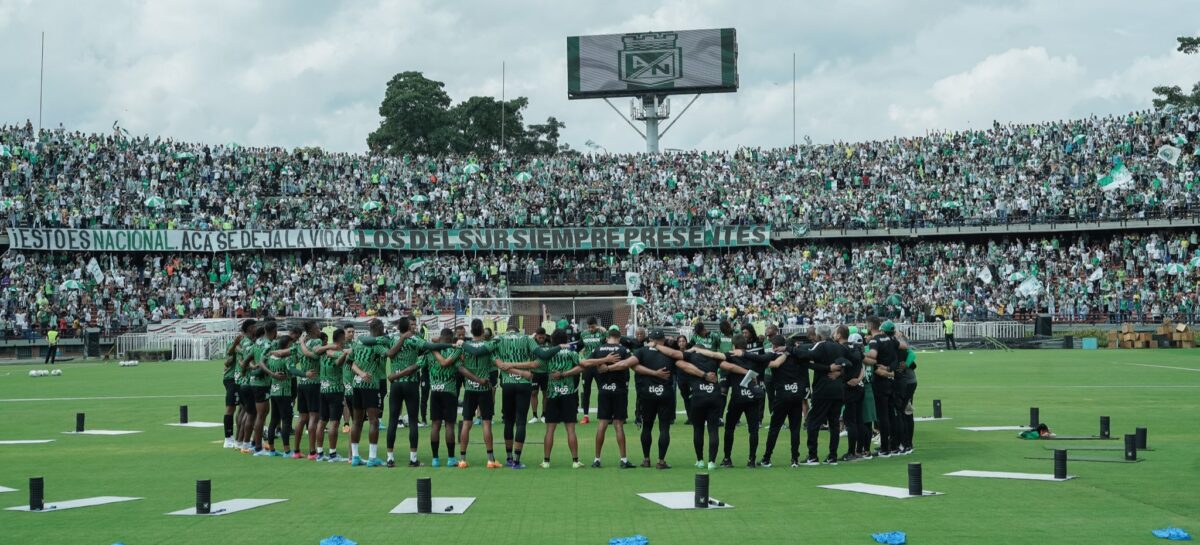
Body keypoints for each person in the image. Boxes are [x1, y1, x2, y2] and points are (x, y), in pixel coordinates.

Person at [690, 334, 785, 468]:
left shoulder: (731, 356)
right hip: (753, 397)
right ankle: (751, 460)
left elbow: (713, 354)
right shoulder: (756, 358)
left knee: (729, 428)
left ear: (734, 346)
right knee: (753, 430)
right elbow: (775, 364)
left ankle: (727, 459)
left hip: (737, 398)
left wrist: (698, 350)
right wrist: (786, 353)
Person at [379, 317, 453, 468]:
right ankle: (413, 459)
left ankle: (390, 458)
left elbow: (390, 354)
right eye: (412, 325)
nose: (415, 327)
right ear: (408, 327)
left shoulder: (391, 338)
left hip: (396, 384)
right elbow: (429, 346)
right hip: (411, 383)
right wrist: (450, 344)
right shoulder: (415, 338)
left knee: (393, 420)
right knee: (413, 420)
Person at [491, 324, 555, 469]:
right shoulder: (526, 339)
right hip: (523, 384)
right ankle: (516, 460)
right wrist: (522, 372)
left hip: (507, 383)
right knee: (520, 422)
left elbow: (495, 359)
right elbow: (538, 358)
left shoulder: (499, 339)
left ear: (507, 331)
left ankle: (508, 458)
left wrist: (507, 366)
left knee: (508, 421)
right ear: (518, 331)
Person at [617, 329, 681, 469]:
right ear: (663, 340)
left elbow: (629, 364)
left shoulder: (641, 351)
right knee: (664, 428)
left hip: (647, 394)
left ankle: (646, 460)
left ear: (649, 339)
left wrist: (609, 366)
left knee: (647, 427)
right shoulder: (669, 353)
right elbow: (680, 357)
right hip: (665, 393)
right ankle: (661, 461)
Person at [675, 337, 738, 470]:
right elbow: (730, 366)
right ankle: (712, 462)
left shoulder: (691, 358)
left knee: (698, 429)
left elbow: (678, 363)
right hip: (714, 396)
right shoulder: (714, 358)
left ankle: (700, 460)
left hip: (698, 396)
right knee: (713, 430)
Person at [788, 325, 846, 465]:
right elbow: (850, 362)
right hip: (838, 389)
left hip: (823, 389)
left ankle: (813, 456)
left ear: (818, 335)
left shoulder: (820, 346)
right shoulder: (839, 347)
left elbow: (806, 355)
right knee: (834, 423)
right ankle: (832, 456)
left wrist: (790, 349)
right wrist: (840, 372)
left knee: (813, 421)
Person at [581, 328, 632, 468]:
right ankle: (624, 460)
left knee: (602, 424)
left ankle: (597, 459)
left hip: (603, 390)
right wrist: (613, 365)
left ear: (607, 337)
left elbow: (584, 363)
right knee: (618, 425)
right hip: (620, 390)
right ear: (619, 338)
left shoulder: (599, 349)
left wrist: (603, 362)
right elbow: (630, 364)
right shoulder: (623, 350)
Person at [456, 319, 500, 468]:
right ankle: (490, 459)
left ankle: (462, 459)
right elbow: (494, 361)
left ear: (470, 331)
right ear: (482, 331)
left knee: (466, 423)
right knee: (486, 423)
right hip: (484, 389)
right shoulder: (487, 346)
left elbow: (461, 366)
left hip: (469, 389)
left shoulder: (463, 347)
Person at [540, 329, 585, 468]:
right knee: (571, 429)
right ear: (566, 339)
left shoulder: (549, 353)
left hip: (553, 394)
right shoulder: (571, 353)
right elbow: (581, 367)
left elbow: (539, 366)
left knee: (550, 430)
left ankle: (546, 461)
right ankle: (575, 461)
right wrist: (565, 374)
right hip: (569, 394)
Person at [761, 334, 808, 467]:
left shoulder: (775, 357)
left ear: (776, 346)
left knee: (774, 428)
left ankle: (766, 458)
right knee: (795, 429)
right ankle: (794, 459)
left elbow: (771, 364)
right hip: (796, 395)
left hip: (782, 396)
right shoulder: (798, 357)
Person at [348, 319, 387, 467]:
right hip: (371, 385)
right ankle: (372, 457)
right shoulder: (376, 345)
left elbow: (351, 362)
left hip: (356, 384)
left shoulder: (358, 343)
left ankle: (356, 457)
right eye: (382, 328)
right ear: (379, 329)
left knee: (357, 422)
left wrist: (360, 373)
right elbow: (390, 353)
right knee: (373, 421)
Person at [864, 318, 904, 457]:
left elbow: (873, 356)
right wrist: (890, 368)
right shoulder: (889, 339)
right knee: (893, 414)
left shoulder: (875, 341)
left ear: (870, 327)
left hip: (881, 381)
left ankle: (885, 448)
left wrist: (861, 353)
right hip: (892, 379)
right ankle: (895, 446)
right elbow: (904, 347)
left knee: (883, 416)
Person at [425, 328, 463, 468]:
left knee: (435, 425)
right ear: (451, 338)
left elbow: (419, 365)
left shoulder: (430, 352)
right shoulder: (453, 351)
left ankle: (435, 459)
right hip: (449, 392)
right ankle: (451, 458)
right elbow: (460, 368)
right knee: (449, 425)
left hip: (434, 391)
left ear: (441, 338)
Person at [315, 328, 350, 463]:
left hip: (323, 389)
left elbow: (317, 351)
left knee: (322, 421)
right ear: (341, 337)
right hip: (335, 391)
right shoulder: (337, 352)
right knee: (334, 422)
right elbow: (338, 361)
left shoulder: (323, 352)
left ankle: (319, 453)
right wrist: (344, 353)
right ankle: (332, 454)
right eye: (344, 337)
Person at [291, 321, 323, 460]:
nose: (319, 329)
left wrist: (302, 343)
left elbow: (294, 362)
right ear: (311, 330)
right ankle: (312, 452)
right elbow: (314, 356)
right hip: (314, 382)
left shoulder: (299, 344)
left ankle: (296, 450)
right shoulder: (317, 342)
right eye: (317, 327)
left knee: (302, 418)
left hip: (302, 384)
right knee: (314, 417)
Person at [837, 325, 867, 462]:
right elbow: (861, 366)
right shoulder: (858, 351)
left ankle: (851, 452)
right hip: (859, 387)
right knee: (859, 420)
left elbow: (842, 365)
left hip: (849, 387)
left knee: (850, 422)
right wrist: (859, 379)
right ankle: (860, 449)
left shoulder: (844, 351)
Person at [221, 320, 253, 449]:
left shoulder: (250, 342)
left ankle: (242, 437)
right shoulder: (235, 343)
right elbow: (227, 362)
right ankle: (228, 437)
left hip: (241, 379)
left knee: (243, 408)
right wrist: (235, 346)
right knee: (231, 408)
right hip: (232, 379)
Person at [246, 322, 277, 456]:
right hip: (262, 384)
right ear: (274, 331)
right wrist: (272, 373)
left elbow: (249, 358)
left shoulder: (257, 341)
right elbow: (263, 364)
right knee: (261, 415)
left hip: (255, 383)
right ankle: (258, 448)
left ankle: (254, 443)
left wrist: (245, 370)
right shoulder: (269, 345)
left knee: (262, 413)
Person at [263, 335, 297, 457]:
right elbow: (293, 371)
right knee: (286, 420)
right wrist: (305, 374)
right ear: (287, 345)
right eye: (291, 344)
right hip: (284, 392)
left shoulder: (272, 358)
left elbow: (263, 362)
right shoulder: (287, 359)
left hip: (274, 391)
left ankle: (272, 450)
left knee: (274, 420)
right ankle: (287, 451)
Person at [234, 320, 259, 452]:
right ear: (250, 328)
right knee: (250, 414)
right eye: (255, 327)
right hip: (249, 382)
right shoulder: (248, 343)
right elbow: (248, 361)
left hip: (242, 381)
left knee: (244, 412)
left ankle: (239, 441)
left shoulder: (244, 341)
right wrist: (255, 366)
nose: (256, 328)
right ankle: (245, 443)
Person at [577, 316, 605, 425]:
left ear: (596, 325)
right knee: (586, 391)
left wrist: (605, 331)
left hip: (599, 365)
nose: (590, 329)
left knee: (602, 390)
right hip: (587, 366)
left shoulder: (602, 333)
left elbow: (610, 342)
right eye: (589, 327)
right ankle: (585, 416)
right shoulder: (583, 334)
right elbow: (579, 347)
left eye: (592, 327)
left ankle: (602, 414)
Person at [896, 333, 918, 454]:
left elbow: (912, 354)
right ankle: (905, 443)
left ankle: (906, 443)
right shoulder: (904, 349)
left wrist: (906, 365)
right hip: (908, 382)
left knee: (904, 413)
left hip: (907, 383)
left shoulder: (905, 349)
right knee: (906, 412)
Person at [528, 327, 550, 424]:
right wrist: (531, 337)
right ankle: (534, 415)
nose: (541, 339)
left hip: (546, 373)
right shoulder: (531, 342)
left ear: (545, 336)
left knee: (546, 394)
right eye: (539, 337)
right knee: (533, 393)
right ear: (536, 336)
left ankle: (544, 415)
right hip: (534, 373)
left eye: (543, 337)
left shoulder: (549, 342)